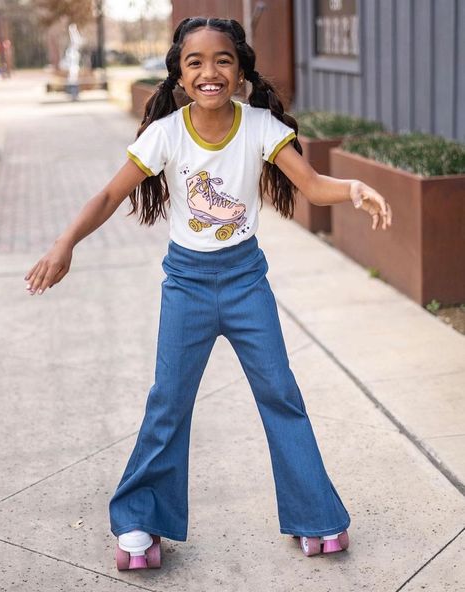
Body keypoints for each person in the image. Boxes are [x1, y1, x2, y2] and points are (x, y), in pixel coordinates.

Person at [23, 16, 392, 569]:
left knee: (281, 396)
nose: (209, 71)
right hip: (187, 286)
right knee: (169, 403)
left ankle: (315, 515)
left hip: (247, 283)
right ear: (179, 75)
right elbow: (106, 196)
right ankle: (141, 522)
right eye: (194, 62)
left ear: (240, 70)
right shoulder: (167, 133)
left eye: (222, 59)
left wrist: (353, 187)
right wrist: (65, 242)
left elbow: (312, 186)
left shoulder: (261, 126)